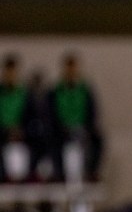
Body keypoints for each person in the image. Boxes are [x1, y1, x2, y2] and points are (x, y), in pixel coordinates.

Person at [47, 53, 104, 182]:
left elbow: (92, 113)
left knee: (98, 140)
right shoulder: (55, 91)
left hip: (81, 129)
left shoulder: (85, 90)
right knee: (51, 140)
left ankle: (91, 172)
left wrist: (85, 129)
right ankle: (58, 174)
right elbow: (50, 115)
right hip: (61, 131)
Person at [0, 54, 34, 182]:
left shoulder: (26, 95)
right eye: (8, 73)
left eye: (13, 72)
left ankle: (30, 179)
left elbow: (32, 119)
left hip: (23, 137)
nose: (10, 76)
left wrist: (21, 131)